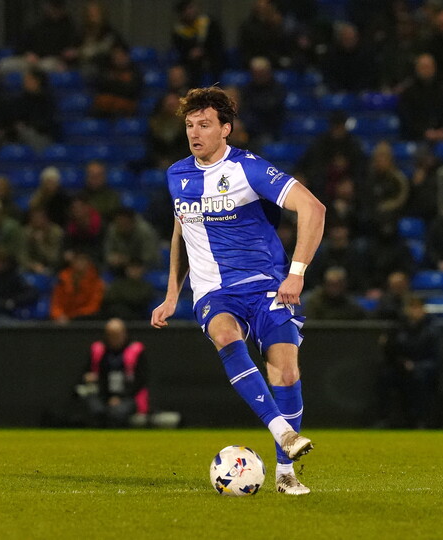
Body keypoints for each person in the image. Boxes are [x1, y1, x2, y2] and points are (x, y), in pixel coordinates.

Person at [150, 86, 325, 495]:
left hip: (267, 285)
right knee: (225, 334)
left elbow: (314, 208)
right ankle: (282, 431)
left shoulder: (249, 169)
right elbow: (181, 229)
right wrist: (173, 292)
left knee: (285, 369)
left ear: (225, 129)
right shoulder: (177, 174)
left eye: (205, 125)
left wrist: (297, 272)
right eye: (190, 125)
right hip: (215, 291)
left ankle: (285, 474)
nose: (195, 133)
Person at [377, 295, 440, 428]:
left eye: (417, 307)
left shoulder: (432, 331)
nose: (414, 311)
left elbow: (436, 358)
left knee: (418, 379)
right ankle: (384, 419)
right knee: (384, 376)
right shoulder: (399, 328)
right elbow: (391, 352)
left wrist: (417, 366)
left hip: (421, 369)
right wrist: (387, 345)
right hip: (400, 368)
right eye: (411, 307)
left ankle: (418, 421)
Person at [78, 318, 149, 427]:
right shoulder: (99, 351)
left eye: (117, 335)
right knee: (95, 409)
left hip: (128, 397)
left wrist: (120, 397)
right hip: (103, 396)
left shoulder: (135, 351)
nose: (114, 339)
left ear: (124, 334)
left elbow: (140, 380)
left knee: (117, 413)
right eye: (111, 335)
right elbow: (87, 374)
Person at [0, 0, 78, 74]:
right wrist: (28, 54)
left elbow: (69, 52)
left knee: (44, 66)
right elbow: (21, 44)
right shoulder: (37, 25)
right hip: (32, 59)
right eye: (51, 7)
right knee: (4, 64)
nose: (54, 11)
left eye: (57, 8)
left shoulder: (69, 28)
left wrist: (65, 62)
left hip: (53, 59)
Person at [171, 0, 226, 86]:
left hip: (212, 62)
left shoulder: (209, 24)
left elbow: (219, 44)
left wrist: (204, 51)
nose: (190, 11)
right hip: (191, 66)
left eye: (191, 8)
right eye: (186, 9)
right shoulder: (178, 31)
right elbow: (179, 51)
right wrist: (190, 54)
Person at [51, 250, 105, 323]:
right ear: (72, 262)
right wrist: (59, 315)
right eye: (77, 259)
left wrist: (74, 317)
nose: (80, 263)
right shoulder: (62, 280)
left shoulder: (96, 282)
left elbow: (93, 306)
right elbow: (56, 304)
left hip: (85, 320)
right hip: (63, 320)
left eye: (83, 260)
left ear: (89, 263)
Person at [103, 207, 160, 273]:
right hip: (120, 267)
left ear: (132, 221)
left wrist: (130, 261)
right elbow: (108, 252)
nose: (121, 226)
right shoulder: (113, 229)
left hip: (146, 266)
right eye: (119, 223)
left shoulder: (145, 232)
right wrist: (112, 258)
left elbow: (151, 257)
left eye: (125, 223)